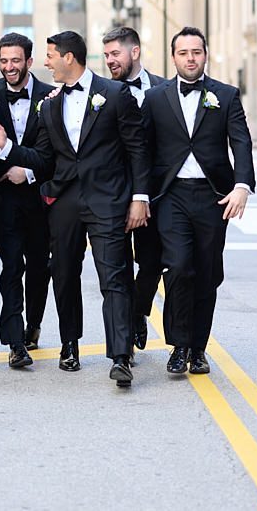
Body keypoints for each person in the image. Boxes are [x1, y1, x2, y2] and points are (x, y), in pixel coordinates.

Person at [0, 31, 151, 388]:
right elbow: (43, 158)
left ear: (69, 57)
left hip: (108, 199)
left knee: (114, 277)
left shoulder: (116, 94)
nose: (46, 62)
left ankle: (120, 356)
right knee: (63, 273)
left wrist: (139, 197)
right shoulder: (51, 104)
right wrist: (6, 147)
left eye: (50, 56)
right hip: (63, 202)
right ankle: (69, 345)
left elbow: (137, 149)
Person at [142, 27, 253, 375]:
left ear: (205, 54)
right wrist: (140, 195)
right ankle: (177, 346)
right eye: (183, 53)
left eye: (196, 52)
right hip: (171, 196)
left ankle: (198, 348)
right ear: (173, 57)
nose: (190, 58)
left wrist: (242, 185)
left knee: (207, 274)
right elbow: (143, 149)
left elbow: (241, 142)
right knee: (177, 267)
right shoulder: (156, 97)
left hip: (212, 197)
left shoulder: (227, 95)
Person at [0, 32, 56, 364]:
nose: (8, 67)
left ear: (29, 61)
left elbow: (55, 152)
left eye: (15, 60)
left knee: (40, 267)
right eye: (3, 60)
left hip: (41, 197)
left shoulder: (50, 96)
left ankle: (34, 325)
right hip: (5, 199)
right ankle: (15, 343)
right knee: (12, 266)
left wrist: (25, 172)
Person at [102, 25, 166, 350]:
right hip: (114, 192)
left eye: (115, 53)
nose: (110, 60)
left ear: (135, 52)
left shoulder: (164, 89)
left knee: (153, 261)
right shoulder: (100, 94)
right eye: (106, 55)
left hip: (155, 194)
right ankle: (125, 333)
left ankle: (138, 311)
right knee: (120, 267)